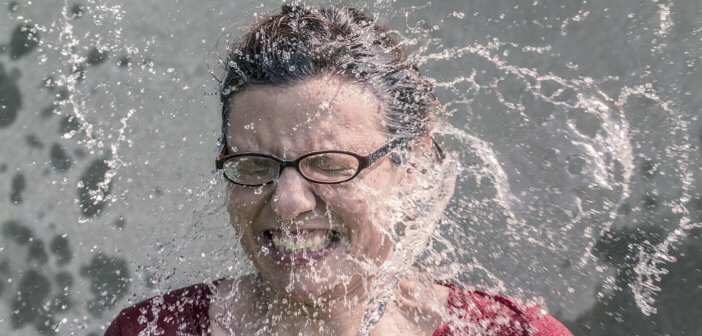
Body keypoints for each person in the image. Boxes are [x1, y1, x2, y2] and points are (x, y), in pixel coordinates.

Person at [105, 5, 572, 336]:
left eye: (330, 164)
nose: (287, 201)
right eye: (254, 164)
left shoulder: (514, 333)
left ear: (412, 165)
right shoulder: (151, 331)